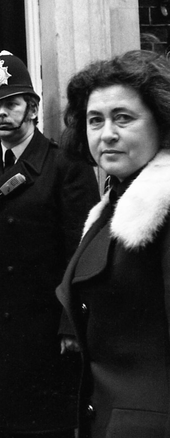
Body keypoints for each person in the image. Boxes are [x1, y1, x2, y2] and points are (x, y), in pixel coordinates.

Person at [0, 50, 100, 437]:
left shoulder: (64, 165)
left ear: (32, 108)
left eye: (11, 103)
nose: (1, 113)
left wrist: (72, 324)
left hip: (41, 328)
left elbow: (83, 250)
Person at [57, 49, 170, 438]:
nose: (106, 133)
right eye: (94, 120)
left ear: (162, 121)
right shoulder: (113, 205)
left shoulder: (164, 205)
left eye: (123, 118)